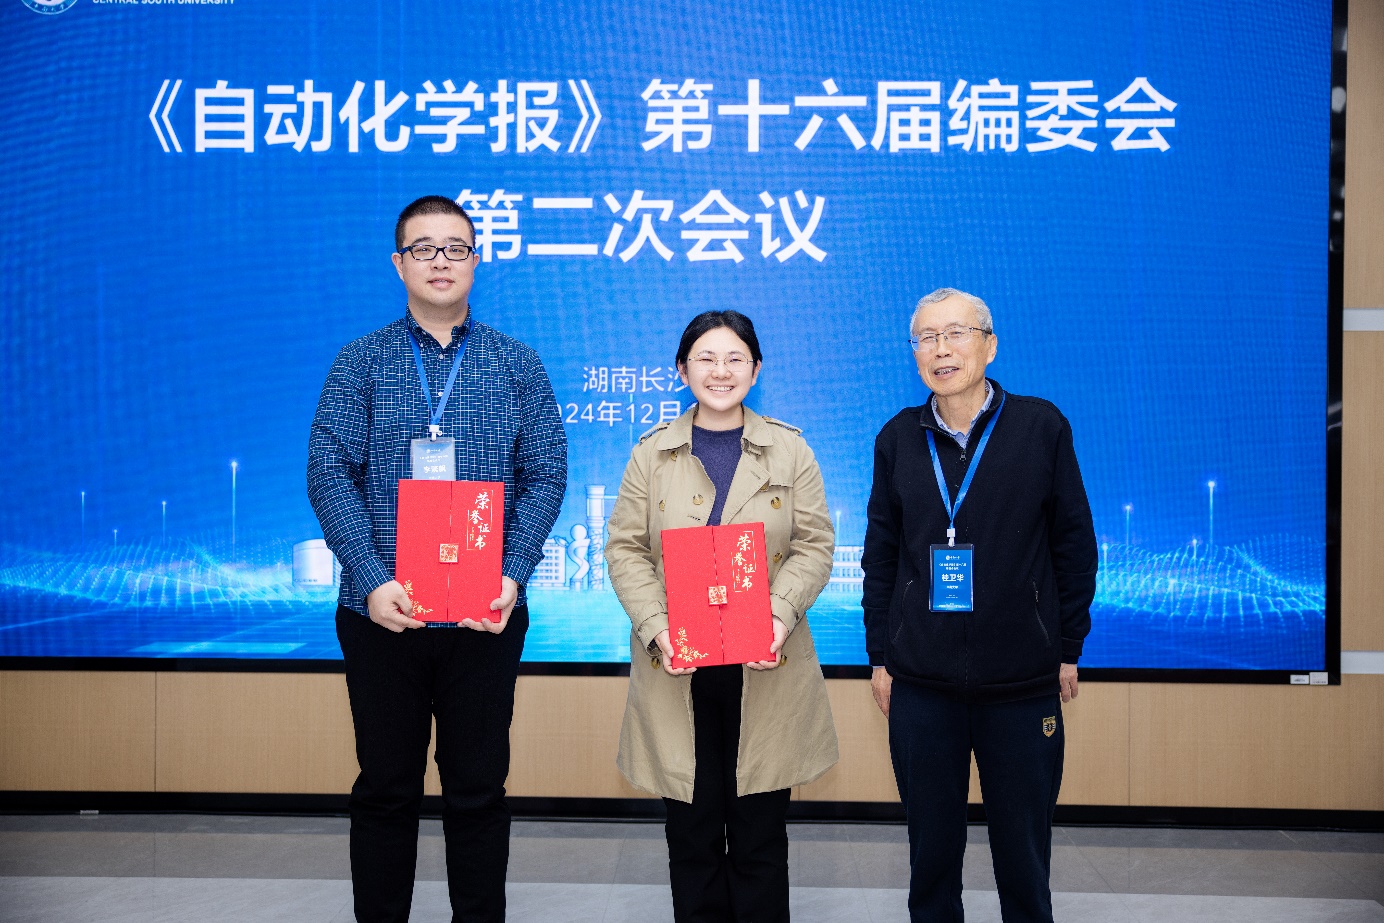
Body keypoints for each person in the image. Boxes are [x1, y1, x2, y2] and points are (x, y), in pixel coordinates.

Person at [307, 195, 567, 923]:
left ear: (476, 260)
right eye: (424, 248)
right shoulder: (360, 361)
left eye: (456, 247)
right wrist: (371, 579)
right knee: (386, 789)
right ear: (399, 264)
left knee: (478, 791)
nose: (441, 261)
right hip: (382, 614)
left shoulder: (517, 363)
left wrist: (511, 573)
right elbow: (328, 472)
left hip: (485, 615)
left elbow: (547, 473)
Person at [862, 288, 1097, 923]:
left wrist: (1067, 646)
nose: (941, 350)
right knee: (931, 863)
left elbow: (1074, 545)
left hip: (1022, 683)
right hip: (921, 686)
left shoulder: (1041, 427)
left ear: (989, 345)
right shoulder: (897, 438)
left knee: (1024, 863)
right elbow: (881, 558)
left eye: (956, 333)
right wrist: (881, 657)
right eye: (926, 338)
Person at [605, 310, 839, 923]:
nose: (720, 371)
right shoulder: (651, 453)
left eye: (735, 358)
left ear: (756, 370)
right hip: (678, 668)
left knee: (761, 834)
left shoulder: (791, 449)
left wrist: (777, 618)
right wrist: (658, 629)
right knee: (692, 833)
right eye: (705, 358)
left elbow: (815, 545)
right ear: (681, 371)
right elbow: (624, 549)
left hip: (767, 664)